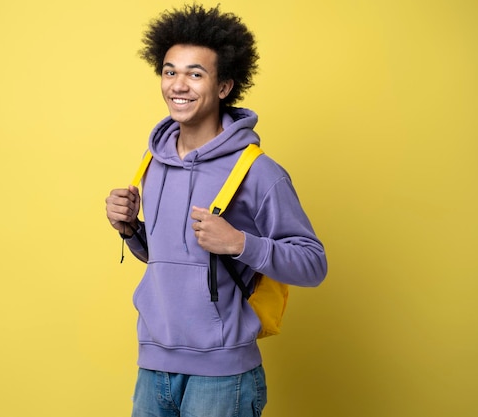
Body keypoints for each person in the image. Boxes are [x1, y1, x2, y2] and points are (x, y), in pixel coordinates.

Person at [105, 4, 327, 416]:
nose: (178, 85)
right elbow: (171, 259)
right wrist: (130, 229)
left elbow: (314, 264)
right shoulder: (152, 162)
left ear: (224, 86)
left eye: (195, 73)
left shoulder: (258, 171)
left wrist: (240, 242)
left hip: (223, 377)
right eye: (170, 71)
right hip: (153, 367)